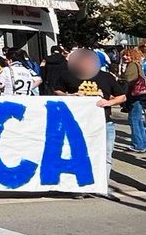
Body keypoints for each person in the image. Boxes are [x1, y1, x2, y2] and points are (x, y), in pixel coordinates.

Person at [57, 48, 126, 176]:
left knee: (105, 156)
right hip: (78, 123)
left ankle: (103, 186)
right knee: (80, 154)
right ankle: (82, 186)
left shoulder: (106, 77)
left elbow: (121, 96)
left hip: (104, 123)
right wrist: (69, 96)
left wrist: (109, 102)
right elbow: (57, 91)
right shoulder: (67, 76)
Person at [119, 46, 146, 154]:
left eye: (127, 55)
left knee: (134, 120)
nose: (125, 57)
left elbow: (128, 80)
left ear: (133, 56)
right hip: (140, 95)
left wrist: (120, 79)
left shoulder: (132, 66)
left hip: (134, 95)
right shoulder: (137, 65)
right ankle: (141, 143)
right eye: (124, 55)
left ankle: (138, 144)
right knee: (138, 120)